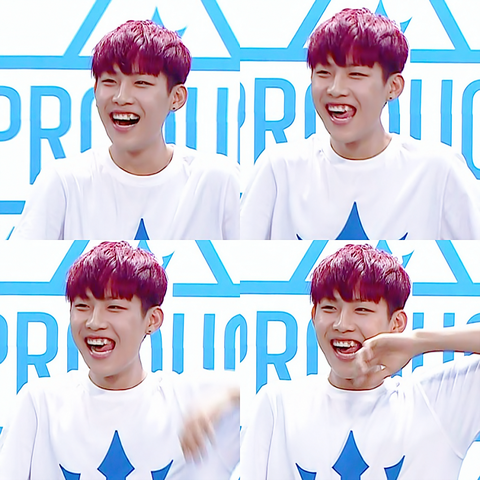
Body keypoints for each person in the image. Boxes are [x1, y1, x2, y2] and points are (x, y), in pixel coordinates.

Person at [0, 242, 239, 479]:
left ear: (152, 320)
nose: (94, 322)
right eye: (82, 306)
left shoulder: (189, 401)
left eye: (114, 307)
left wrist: (225, 398)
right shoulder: (40, 403)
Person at [241, 243, 480, 479]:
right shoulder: (278, 405)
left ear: (397, 323)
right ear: (314, 316)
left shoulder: (436, 403)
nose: (342, 324)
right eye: (329, 308)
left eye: (362, 310)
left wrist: (416, 342)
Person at [240, 8, 480, 240]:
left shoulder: (439, 171)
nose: (336, 89)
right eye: (323, 73)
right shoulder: (278, 168)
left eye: (356, 75)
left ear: (393, 87)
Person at [11, 20, 239, 240]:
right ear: (95, 89)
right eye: (110, 82)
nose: (121, 98)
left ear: (176, 97)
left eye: (141, 83)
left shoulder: (216, 180)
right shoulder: (63, 182)